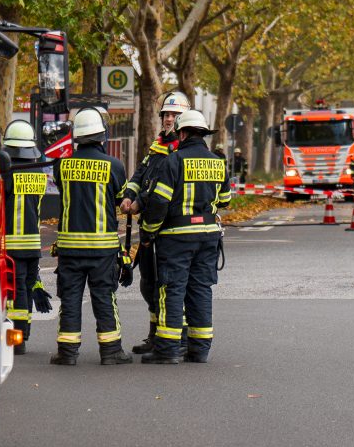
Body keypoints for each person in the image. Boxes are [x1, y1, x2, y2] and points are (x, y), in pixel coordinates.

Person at [139, 109, 231, 363]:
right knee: (201, 290)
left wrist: (148, 232)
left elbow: (159, 202)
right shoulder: (217, 162)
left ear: (183, 133)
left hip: (177, 237)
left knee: (172, 289)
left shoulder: (174, 160)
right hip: (209, 237)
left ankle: (167, 350)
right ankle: (199, 350)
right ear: (203, 134)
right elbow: (224, 200)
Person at [50, 107, 130, 366]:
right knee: (104, 296)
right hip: (103, 249)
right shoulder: (114, 166)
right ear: (102, 135)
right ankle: (111, 352)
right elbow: (121, 202)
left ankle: (67, 353)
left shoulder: (61, 165)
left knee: (70, 298)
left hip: (69, 249)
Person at [119, 90, 191, 353]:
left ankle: (177, 338)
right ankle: (156, 334)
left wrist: (141, 202)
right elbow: (142, 173)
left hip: (167, 228)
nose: (169, 119)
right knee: (149, 284)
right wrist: (129, 194)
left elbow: (163, 186)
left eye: (174, 115)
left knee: (166, 285)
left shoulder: (182, 149)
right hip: (149, 228)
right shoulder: (158, 144)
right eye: (166, 114)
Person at [2, 121, 52, 353]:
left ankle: (16, 339)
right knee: (28, 285)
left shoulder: (8, 173)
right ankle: (25, 334)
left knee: (16, 290)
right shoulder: (39, 172)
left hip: (11, 243)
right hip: (33, 243)